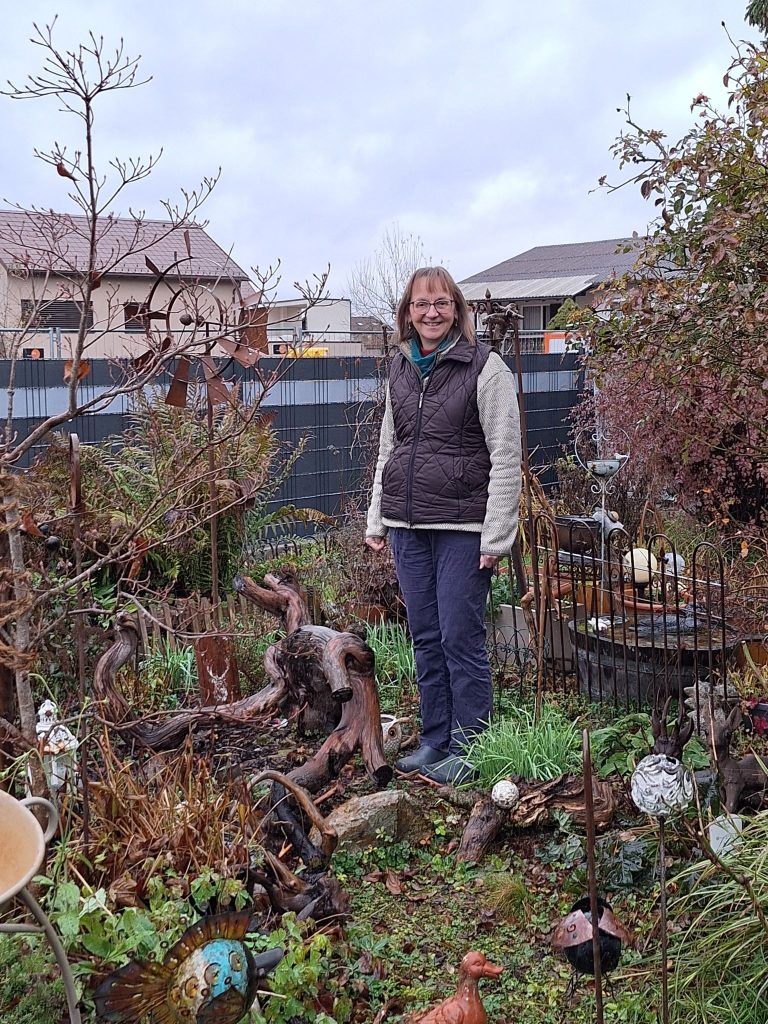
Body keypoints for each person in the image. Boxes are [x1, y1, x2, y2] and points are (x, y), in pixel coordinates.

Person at [365, 266, 521, 784]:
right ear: (408, 313)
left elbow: (507, 455)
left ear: (456, 309)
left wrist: (497, 536)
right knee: (426, 636)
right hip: (408, 525)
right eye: (421, 304)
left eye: (441, 303)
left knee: (460, 636)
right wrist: (377, 517)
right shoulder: (400, 367)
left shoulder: (485, 368)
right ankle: (435, 740)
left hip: (462, 527)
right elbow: (390, 448)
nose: (431, 313)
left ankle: (470, 747)